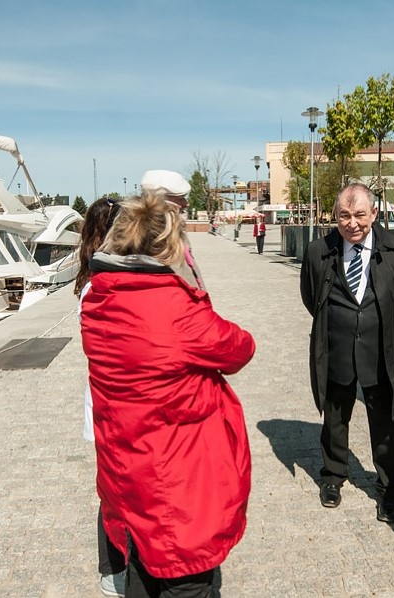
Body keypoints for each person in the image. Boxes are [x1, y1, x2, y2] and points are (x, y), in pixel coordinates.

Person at [81, 192, 255, 597]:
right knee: (187, 581)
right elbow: (239, 348)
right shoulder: (176, 309)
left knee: (141, 574)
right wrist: (189, 283)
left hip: (126, 474)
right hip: (177, 485)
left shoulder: (100, 300)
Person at [300, 182, 394, 523]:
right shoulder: (317, 250)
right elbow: (312, 298)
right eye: (344, 215)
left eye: (360, 215)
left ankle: (391, 489)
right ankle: (333, 475)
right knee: (335, 418)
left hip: (382, 353)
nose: (352, 223)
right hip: (336, 349)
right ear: (335, 215)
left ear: (375, 214)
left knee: (386, 425)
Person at [75, 197, 127, 597]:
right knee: (114, 490)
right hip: (113, 404)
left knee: (121, 487)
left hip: (117, 402)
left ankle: (123, 567)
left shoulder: (96, 278)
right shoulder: (98, 284)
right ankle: (113, 570)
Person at [141, 169, 205, 290]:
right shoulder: (148, 235)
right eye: (180, 198)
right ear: (160, 201)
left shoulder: (174, 230)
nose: (186, 203)